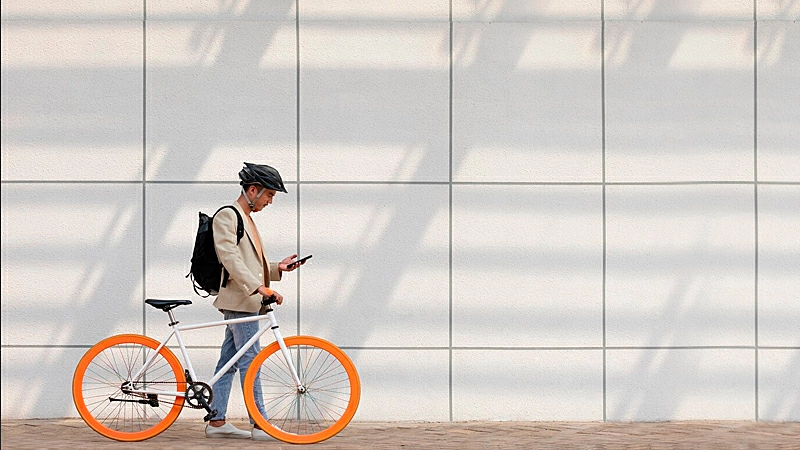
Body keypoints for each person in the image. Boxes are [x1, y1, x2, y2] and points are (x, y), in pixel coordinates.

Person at [204, 162, 306, 440]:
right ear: (252, 190)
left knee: (229, 363)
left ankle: (216, 421)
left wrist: (277, 269)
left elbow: (249, 264)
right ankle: (261, 425)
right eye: (269, 195)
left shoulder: (246, 219)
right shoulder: (228, 215)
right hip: (241, 301)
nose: (270, 201)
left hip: (245, 301)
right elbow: (230, 259)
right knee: (252, 362)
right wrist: (260, 288)